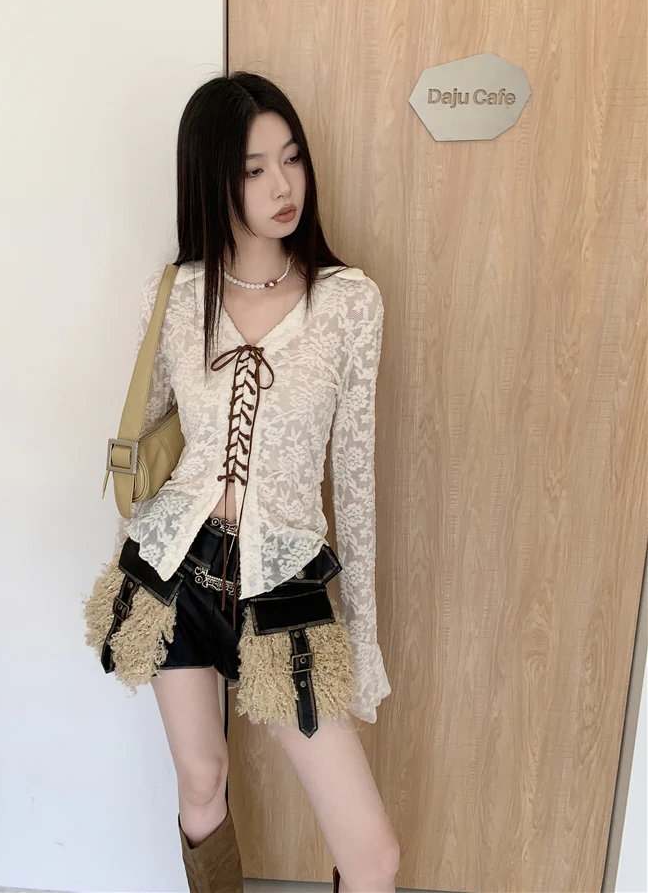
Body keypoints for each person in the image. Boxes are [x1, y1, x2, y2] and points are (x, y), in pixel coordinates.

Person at [84, 72, 401, 893]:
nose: (282, 184)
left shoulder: (349, 303)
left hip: (283, 583)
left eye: (291, 158)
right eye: (254, 169)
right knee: (201, 780)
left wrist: (361, 638)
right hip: (174, 572)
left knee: (373, 854)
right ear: (212, 178)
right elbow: (145, 446)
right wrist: (122, 574)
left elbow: (354, 482)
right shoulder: (177, 295)